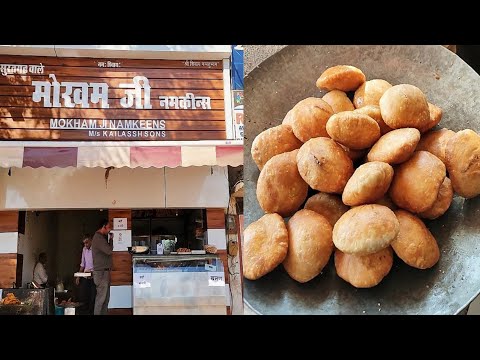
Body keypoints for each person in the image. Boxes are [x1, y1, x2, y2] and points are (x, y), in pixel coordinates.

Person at [92, 219, 113, 315]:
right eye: (108, 227)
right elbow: (108, 251)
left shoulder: (101, 238)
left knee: (106, 298)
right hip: (101, 273)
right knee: (101, 298)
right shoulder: (98, 238)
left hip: (104, 272)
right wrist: (111, 240)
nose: (109, 230)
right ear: (103, 226)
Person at [76, 235, 96, 315]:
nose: (85, 245)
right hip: (85, 275)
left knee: (93, 295)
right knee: (85, 295)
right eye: (84, 243)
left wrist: (93, 272)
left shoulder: (95, 249)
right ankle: (85, 312)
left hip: (94, 275)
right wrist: (78, 276)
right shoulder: (84, 250)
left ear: (91, 241)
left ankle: (91, 312)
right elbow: (82, 264)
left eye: (87, 243)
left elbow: (97, 264)